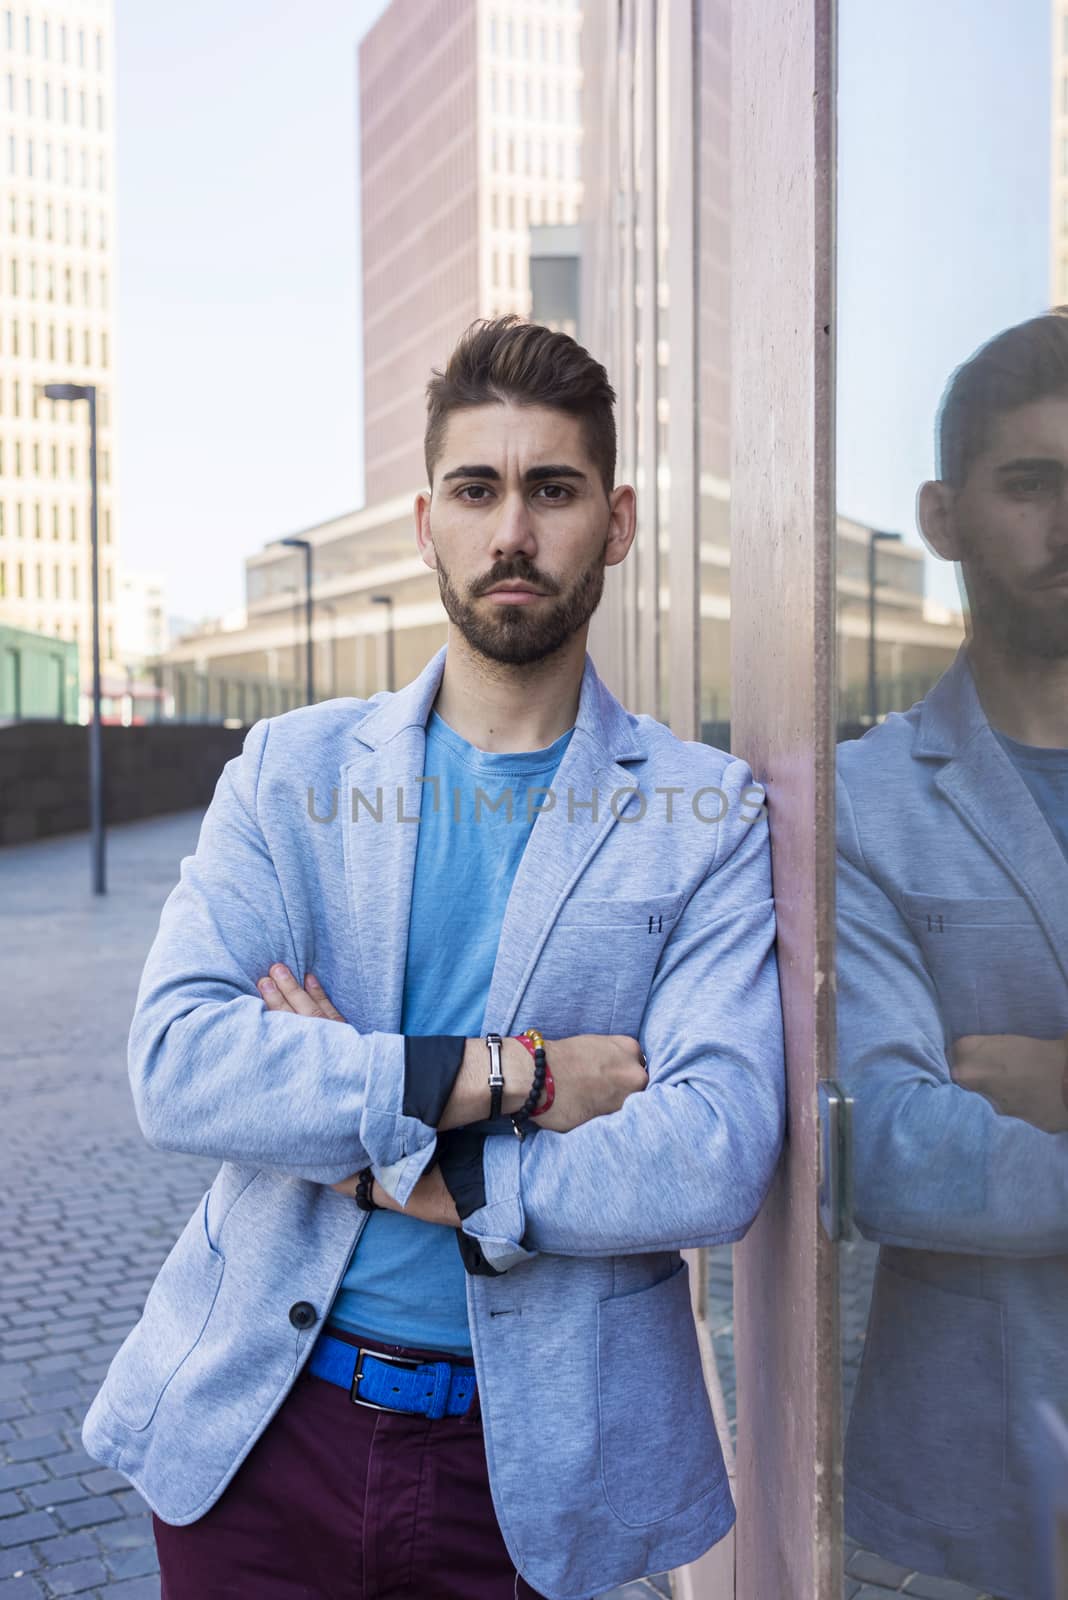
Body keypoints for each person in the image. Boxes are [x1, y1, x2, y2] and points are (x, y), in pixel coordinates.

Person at [81, 315, 785, 1600]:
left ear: (616, 523)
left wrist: (392, 1161)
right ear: (427, 523)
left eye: (552, 489)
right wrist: (516, 1075)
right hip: (261, 1442)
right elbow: (180, 1064)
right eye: (477, 490)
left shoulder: (706, 810)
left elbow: (714, 1151)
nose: (512, 531)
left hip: (531, 1478)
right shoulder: (291, 773)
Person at [836, 309, 1068, 1600]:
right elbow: (896, 1153)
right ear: (942, 514)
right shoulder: (867, 800)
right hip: (969, 1489)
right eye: (1032, 485)